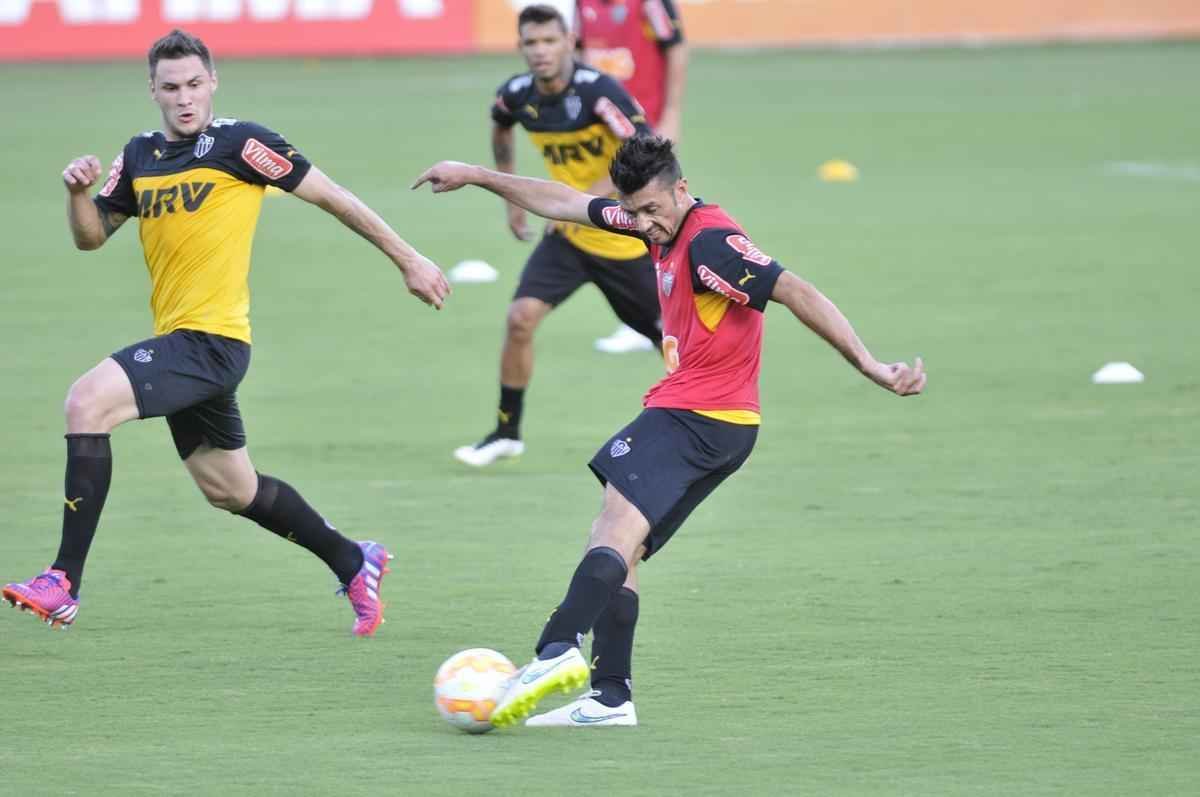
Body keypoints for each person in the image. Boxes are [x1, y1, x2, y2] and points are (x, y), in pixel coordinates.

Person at [413, 136, 926, 726]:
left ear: (681, 190)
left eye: (653, 210)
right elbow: (562, 200)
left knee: (611, 523)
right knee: (621, 543)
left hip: (700, 415)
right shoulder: (647, 221)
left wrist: (869, 364)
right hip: (715, 421)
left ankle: (556, 647)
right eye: (634, 212)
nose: (643, 224)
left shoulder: (712, 243)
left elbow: (794, 290)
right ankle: (610, 697)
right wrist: (479, 175)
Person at [1, 29, 450, 636]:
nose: (184, 98)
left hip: (211, 341)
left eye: (194, 84)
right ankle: (352, 558)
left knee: (86, 402)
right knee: (230, 488)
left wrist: (409, 259)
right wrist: (77, 193)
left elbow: (332, 197)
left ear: (212, 81)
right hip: (188, 344)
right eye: (170, 88)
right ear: (152, 90)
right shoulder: (138, 156)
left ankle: (63, 582)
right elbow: (90, 236)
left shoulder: (243, 144)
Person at [453, 3, 663, 468]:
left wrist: (580, 201)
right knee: (519, 318)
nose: (541, 51)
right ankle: (507, 432)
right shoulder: (516, 94)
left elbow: (646, 149)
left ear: (570, 42)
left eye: (550, 41)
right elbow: (501, 129)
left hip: (622, 239)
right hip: (569, 237)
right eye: (531, 43)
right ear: (520, 47)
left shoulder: (599, 93)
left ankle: (708, 422)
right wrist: (511, 198)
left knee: (668, 342)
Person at [575, 0, 688, 354]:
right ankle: (645, 316)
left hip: (642, 130)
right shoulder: (582, 5)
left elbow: (677, 48)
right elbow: (580, 54)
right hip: (601, 129)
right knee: (620, 219)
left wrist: (671, 112)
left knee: (656, 219)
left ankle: (668, 314)